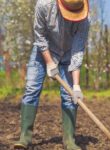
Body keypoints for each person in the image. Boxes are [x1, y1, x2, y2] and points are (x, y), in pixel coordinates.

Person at [14, 0, 89, 149]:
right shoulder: (44, 5)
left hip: (68, 55)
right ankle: (25, 137)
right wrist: (49, 62)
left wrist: (76, 85)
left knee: (69, 97)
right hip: (43, 52)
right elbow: (40, 36)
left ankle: (69, 141)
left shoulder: (84, 20)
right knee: (31, 89)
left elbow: (77, 51)